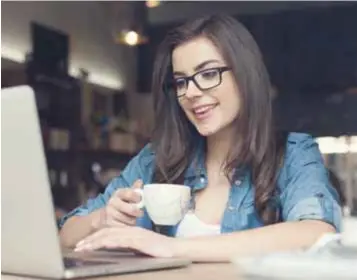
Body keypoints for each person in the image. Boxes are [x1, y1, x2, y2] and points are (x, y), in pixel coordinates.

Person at [59, 14, 342, 262]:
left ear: (245, 75)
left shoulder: (292, 154)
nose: (191, 93)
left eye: (208, 74)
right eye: (181, 81)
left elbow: (317, 233)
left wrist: (173, 248)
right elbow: (64, 234)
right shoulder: (155, 160)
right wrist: (101, 220)